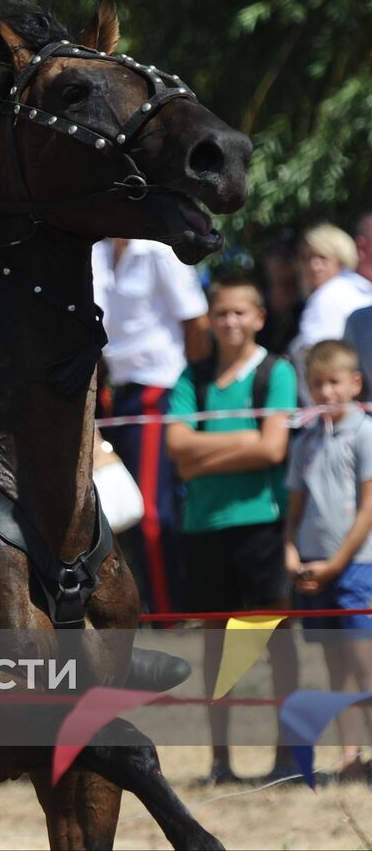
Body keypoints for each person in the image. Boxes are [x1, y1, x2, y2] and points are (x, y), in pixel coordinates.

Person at [164, 277, 299, 785]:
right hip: (203, 530)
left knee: (277, 647)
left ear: (259, 317)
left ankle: (286, 756)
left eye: (241, 312)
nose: (230, 321)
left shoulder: (276, 372)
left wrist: (202, 458)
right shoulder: (191, 377)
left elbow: (273, 450)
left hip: (261, 526)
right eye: (221, 312)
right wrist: (244, 439)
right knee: (216, 651)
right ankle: (220, 761)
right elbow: (176, 445)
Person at [92, 238, 210, 614]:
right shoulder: (96, 249)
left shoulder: (157, 249)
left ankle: (167, 610)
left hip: (159, 386)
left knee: (150, 508)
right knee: (118, 502)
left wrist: (193, 386)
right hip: (115, 388)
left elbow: (196, 321)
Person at [284, 339, 372, 782]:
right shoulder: (306, 441)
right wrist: (292, 553)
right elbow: (294, 508)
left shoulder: (365, 432)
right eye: (316, 384)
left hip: (358, 568)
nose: (326, 393)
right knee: (338, 670)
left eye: (334, 382)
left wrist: (337, 563)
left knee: (366, 664)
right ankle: (350, 760)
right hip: (315, 570)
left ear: (355, 383)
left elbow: (368, 508)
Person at [288, 224, 372, 402]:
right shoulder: (362, 288)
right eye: (306, 258)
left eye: (322, 257)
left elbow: (322, 363)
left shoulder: (327, 296)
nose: (314, 265)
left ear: (341, 259)